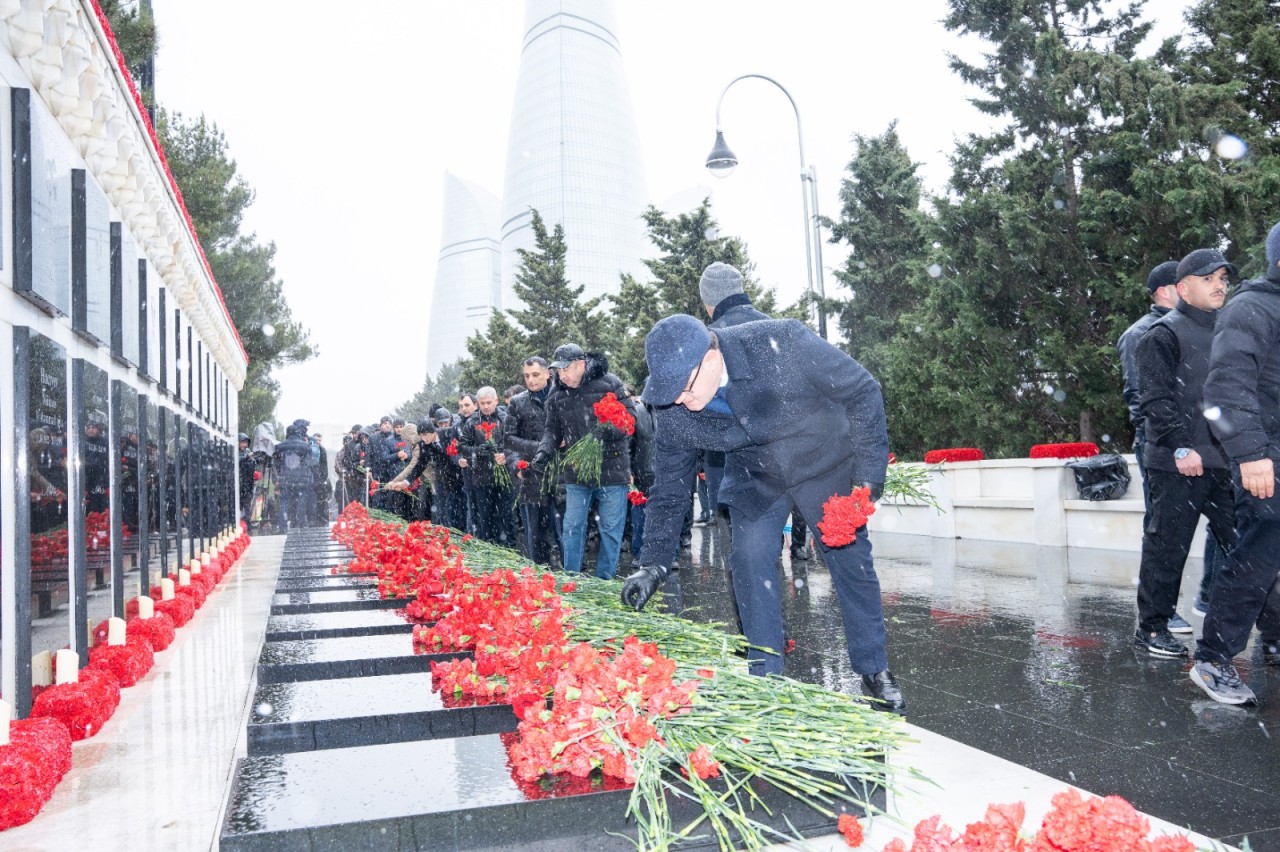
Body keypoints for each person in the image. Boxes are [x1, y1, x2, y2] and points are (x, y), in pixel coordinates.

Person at [620, 314, 904, 713]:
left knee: (850, 561)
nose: (679, 401)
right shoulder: (675, 409)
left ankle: (875, 670)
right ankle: (766, 680)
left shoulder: (782, 341)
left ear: (712, 355)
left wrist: (868, 477)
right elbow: (670, 490)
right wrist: (653, 565)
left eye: (683, 388)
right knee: (749, 560)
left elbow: (862, 390)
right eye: (669, 393)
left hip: (822, 462)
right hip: (757, 477)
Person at [1132, 249, 1237, 658]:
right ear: (1182, 287)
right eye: (1209, 278)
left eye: (1223, 279)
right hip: (1179, 466)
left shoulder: (1230, 332)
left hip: (1224, 465)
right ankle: (1153, 627)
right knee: (1167, 549)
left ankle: (1274, 632)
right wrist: (1181, 446)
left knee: (1249, 548)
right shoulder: (1161, 335)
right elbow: (1155, 401)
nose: (1219, 286)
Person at [1198, 225, 1280, 704]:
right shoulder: (1251, 308)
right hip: (1266, 459)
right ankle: (1212, 658)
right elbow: (1226, 388)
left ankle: (1274, 637)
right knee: (1255, 561)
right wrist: (1251, 456)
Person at [531, 343, 635, 580]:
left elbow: (629, 419)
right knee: (572, 527)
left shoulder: (610, 384)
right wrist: (542, 454)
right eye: (558, 371)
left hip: (612, 470)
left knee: (610, 529)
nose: (562, 375)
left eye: (565, 369)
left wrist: (607, 431)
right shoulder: (557, 395)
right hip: (577, 472)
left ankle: (604, 580)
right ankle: (572, 578)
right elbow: (552, 431)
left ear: (581, 364)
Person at [506, 357, 560, 565]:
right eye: (527, 376)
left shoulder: (562, 396)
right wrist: (517, 463)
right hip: (531, 473)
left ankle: (572, 576)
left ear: (548, 373)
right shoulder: (518, 403)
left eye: (535, 375)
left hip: (561, 471)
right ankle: (540, 575)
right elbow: (509, 440)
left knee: (564, 527)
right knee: (535, 531)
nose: (531, 380)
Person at [459, 387, 513, 544]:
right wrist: (477, 450)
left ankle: (508, 546)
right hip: (481, 476)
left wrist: (504, 452)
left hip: (504, 476)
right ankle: (489, 545)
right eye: (482, 403)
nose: (486, 406)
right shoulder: (472, 422)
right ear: (478, 404)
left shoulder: (506, 419)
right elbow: (462, 446)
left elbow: (514, 442)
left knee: (505, 514)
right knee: (485, 516)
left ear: (496, 401)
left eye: (489, 402)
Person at [273, 424, 313, 529]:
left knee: (284, 501)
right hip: (301, 479)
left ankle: (283, 526)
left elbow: (277, 464)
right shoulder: (305, 446)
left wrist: (280, 474)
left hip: (285, 479)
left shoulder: (279, 447)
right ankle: (300, 524)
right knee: (301, 501)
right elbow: (309, 463)